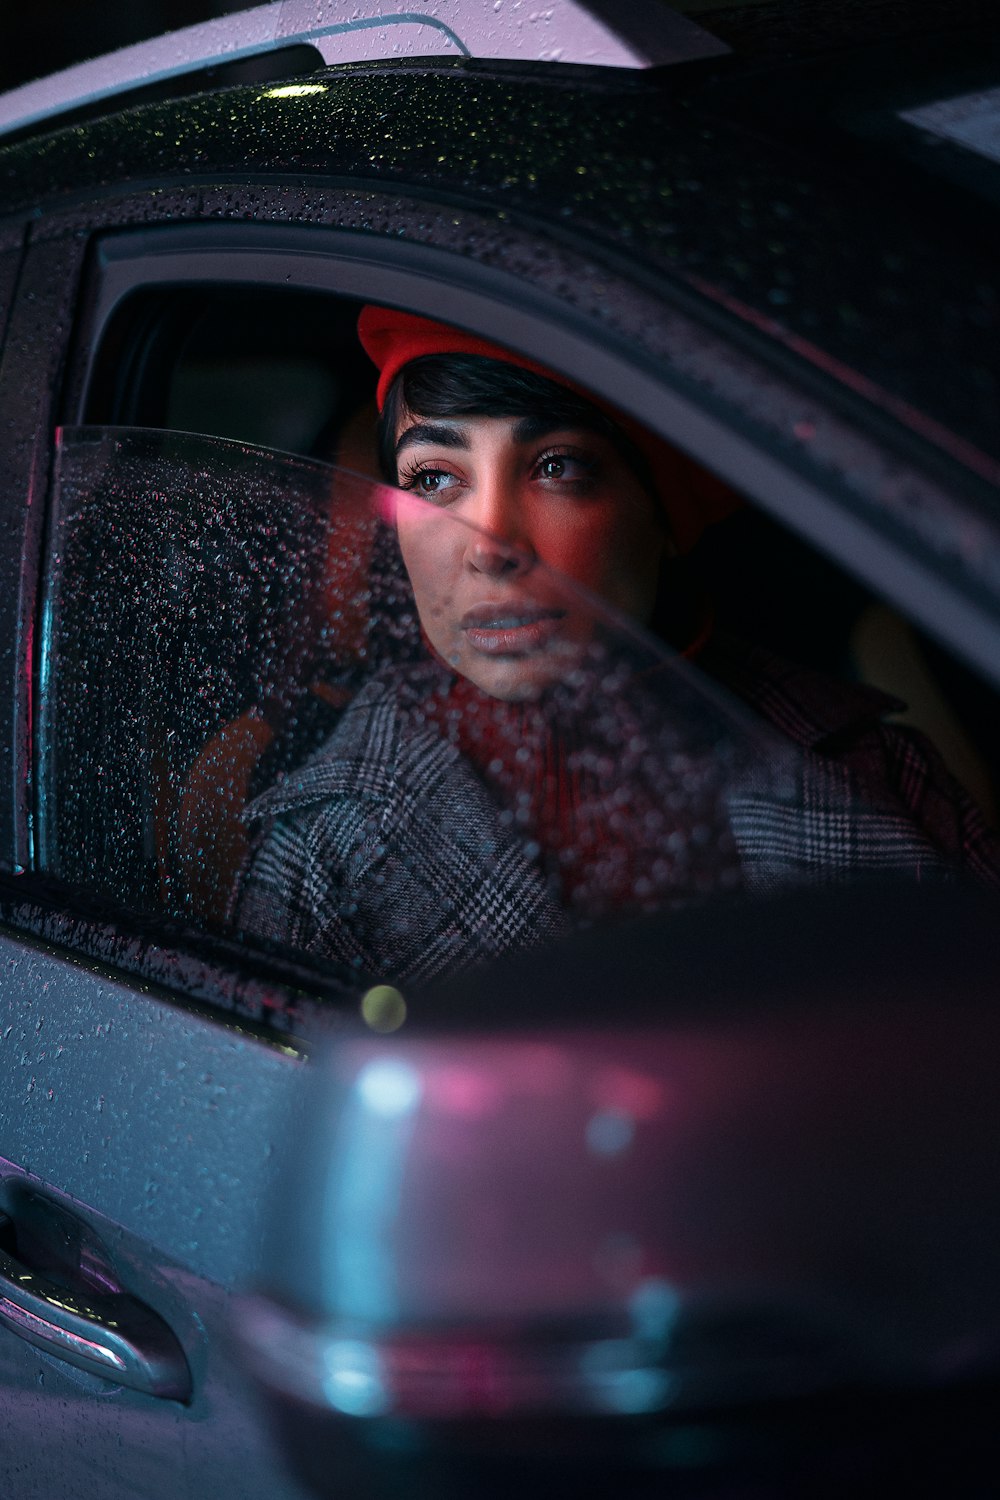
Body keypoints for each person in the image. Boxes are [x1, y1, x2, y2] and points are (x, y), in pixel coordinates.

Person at [234, 307, 1000, 985]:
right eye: (434, 479)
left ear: (663, 515)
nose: (491, 544)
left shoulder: (878, 777)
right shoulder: (321, 854)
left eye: (557, 467)